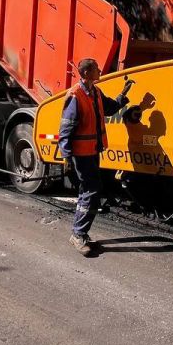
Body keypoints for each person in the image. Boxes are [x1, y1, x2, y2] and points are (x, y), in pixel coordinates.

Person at [59, 58, 128, 256]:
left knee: (87, 191)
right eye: (97, 68)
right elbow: (66, 129)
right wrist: (67, 158)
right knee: (92, 191)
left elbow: (108, 108)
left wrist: (123, 94)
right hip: (81, 154)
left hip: (92, 151)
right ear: (87, 72)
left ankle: (79, 233)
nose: (100, 71)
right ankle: (78, 234)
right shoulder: (75, 96)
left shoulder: (95, 92)